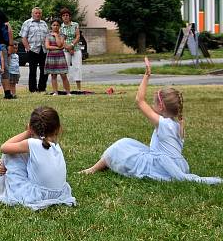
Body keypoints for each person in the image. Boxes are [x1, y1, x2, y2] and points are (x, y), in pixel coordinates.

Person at [80, 58, 221, 184]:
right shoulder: (178, 123)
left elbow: (139, 100)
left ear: (161, 107)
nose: (152, 106)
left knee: (120, 146)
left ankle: (92, 169)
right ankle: (98, 166)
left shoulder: (164, 124)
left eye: (154, 103)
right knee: (128, 143)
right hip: (178, 165)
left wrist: (146, 76)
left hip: (161, 166)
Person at [0, 106, 77, 210]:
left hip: (36, 196)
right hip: (60, 193)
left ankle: (3, 172)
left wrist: (27, 132)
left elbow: (4, 147)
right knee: (19, 152)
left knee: (10, 153)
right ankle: (3, 166)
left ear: (31, 127)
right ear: (58, 128)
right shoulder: (55, 145)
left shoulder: (31, 143)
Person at [19, 7, 49, 93]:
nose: (38, 15)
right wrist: (28, 48)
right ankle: (33, 89)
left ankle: (42, 88)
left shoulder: (44, 24)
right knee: (33, 70)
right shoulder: (27, 23)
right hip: (33, 50)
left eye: (39, 13)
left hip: (43, 50)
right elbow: (23, 37)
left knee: (44, 70)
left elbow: (47, 36)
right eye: (36, 13)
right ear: (32, 14)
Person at [59, 8, 83, 94]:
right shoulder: (60, 27)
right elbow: (61, 39)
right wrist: (68, 48)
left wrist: (72, 46)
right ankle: (66, 87)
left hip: (76, 48)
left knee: (77, 67)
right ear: (61, 17)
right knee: (66, 68)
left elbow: (77, 36)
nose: (65, 17)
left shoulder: (75, 24)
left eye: (67, 15)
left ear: (69, 16)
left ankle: (78, 88)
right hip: (65, 49)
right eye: (63, 15)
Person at [44, 20, 71, 95]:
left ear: (59, 26)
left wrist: (56, 35)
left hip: (60, 56)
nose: (55, 27)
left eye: (57, 25)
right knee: (53, 75)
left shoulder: (62, 35)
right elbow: (47, 46)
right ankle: (55, 92)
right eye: (54, 25)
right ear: (51, 26)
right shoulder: (47, 35)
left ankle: (68, 92)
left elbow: (60, 44)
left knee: (63, 75)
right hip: (51, 57)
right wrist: (58, 48)